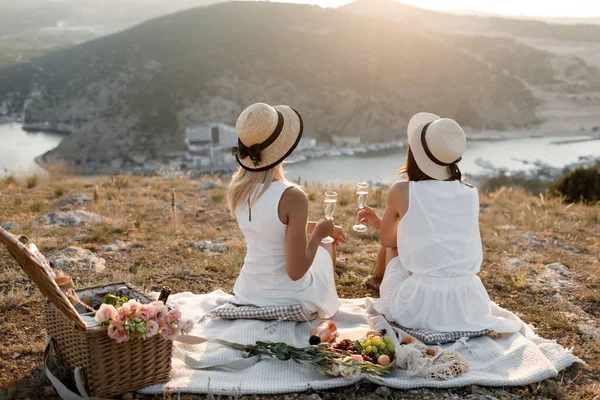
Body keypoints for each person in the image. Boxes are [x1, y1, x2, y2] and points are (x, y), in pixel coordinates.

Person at [357, 112, 522, 333]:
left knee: (394, 246)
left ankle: (379, 283)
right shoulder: (470, 192)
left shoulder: (401, 190)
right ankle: (379, 281)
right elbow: (439, 233)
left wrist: (381, 224)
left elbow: (388, 240)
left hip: (420, 307)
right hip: (469, 302)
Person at [227, 103, 345, 319]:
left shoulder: (238, 190)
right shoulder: (292, 196)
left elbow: (271, 226)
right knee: (323, 253)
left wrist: (315, 227)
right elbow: (296, 271)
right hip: (288, 297)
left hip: (248, 291)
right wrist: (319, 234)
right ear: (282, 148)